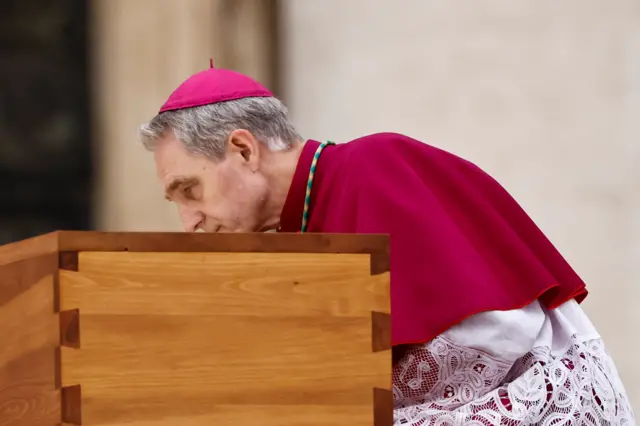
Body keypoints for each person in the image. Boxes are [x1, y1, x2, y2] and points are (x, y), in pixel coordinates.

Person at [139, 65, 634, 425]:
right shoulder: (289, 239)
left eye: (190, 190)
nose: (190, 222)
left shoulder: (377, 169)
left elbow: (498, 341)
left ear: (244, 150)